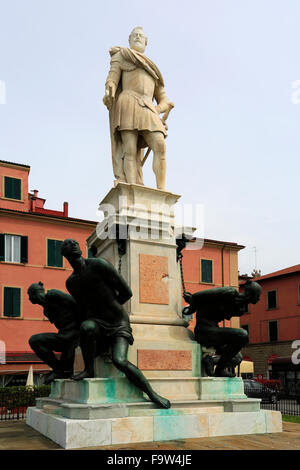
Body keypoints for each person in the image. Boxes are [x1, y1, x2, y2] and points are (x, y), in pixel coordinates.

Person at [61, 238, 170, 409]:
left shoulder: (98, 265)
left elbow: (126, 292)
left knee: (119, 360)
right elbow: (83, 309)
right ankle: (89, 369)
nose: (73, 244)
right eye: (68, 244)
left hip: (118, 321)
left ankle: (152, 394)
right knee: (85, 327)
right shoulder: (71, 283)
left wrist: (111, 308)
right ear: (63, 254)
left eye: (75, 242)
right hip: (97, 324)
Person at [103, 26, 174, 190]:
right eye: (134, 35)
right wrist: (109, 90)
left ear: (146, 41)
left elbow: (163, 99)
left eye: (141, 36)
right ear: (129, 39)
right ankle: (132, 187)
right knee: (129, 148)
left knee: (160, 145)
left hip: (148, 107)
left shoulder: (152, 68)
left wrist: (156, 111)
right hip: (127, 102)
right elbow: (112, 78)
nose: (137, 37)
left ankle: (161, 189)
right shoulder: (121, 56)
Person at [182, 281, 262, 377]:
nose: (259, 299)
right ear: (252, 294)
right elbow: (197, 296)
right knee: (243, 335)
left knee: (237, 358)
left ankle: (211, 361)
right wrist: (192, 308)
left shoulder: (240, 309)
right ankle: (220, 370)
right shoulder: (229, 292)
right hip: (204, 330)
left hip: (214, 332)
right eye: (258, 295)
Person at [27, 282, 81, 384]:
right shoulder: (46, 311)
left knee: (35, 340)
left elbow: (76, 304)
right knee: (34, 341)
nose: (29, 299)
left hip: (76, 333)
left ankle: (60, 369)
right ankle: (58, 369)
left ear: (33, 294)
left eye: (29, 295)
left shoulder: (53, 294)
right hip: (64, 337)